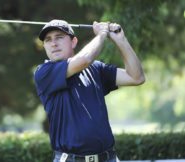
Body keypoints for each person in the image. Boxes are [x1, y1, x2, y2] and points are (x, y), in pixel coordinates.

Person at [34, 19, 145, 162]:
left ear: (73, 42)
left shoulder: (96, 68)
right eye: (48, 40)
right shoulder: (44, 72)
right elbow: (85, 59)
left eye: (59, 37)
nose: (53, 43)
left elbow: (136, 77)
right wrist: (102, 35)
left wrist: (120, 40)